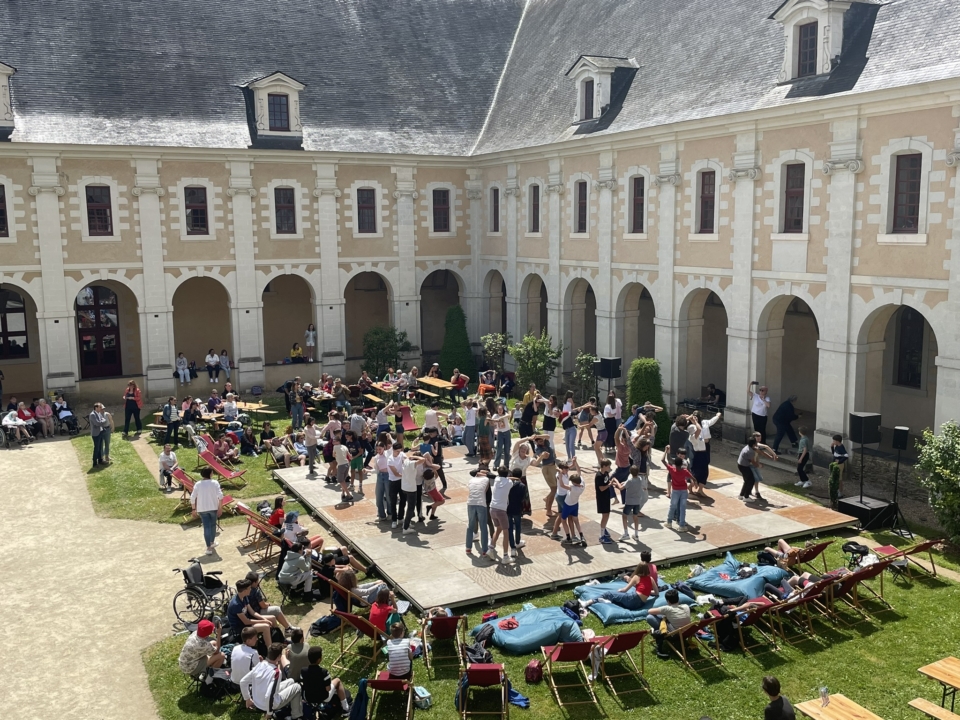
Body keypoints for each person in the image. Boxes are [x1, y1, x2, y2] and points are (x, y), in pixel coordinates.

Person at [239, 643, 304, 720]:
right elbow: (269, 695)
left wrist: (247, 699)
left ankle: (289, 707)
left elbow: (242, 682)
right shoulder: (276, 672)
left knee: (291, 681)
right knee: (297, 687)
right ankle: (296, 716)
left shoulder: (260, 664)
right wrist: (269, 713)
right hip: (269, 704)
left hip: (257, 701)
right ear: (279, 656)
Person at [582, 562, 657, 611]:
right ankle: (608, 601)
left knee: (608, 593)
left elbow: (625, 590)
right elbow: (656, 593)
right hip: (639, 604)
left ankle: (587, 602)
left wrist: (619, 591)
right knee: (619, 598)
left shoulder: (636, 577)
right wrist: (646, 592)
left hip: (632, 600)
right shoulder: (651, 579)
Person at [300, 646, 350, 717]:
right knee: (337, 681)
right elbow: (328, 689)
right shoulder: (324, 672)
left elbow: (303, 684)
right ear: (319, 660)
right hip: (323, 698)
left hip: (308, 697)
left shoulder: (303, 671)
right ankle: (346, 709)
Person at [646, 588, 691, 658]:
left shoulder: (667, 608)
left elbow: (649, 611)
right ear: (678, 598)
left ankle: (658, 633)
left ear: (668, 601)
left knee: (650, 617)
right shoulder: (686, 606)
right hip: (687, 632)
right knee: (664, 616)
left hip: (674, 635)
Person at [191, 467, 223, 555]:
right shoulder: (215, 483)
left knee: (207, 527)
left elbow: (192, 497)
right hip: (213, 508)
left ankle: (210, 545)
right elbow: (220, 496)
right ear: (210, 474)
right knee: (212, 526)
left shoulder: (198, 484)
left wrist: (193, 509)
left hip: (202, 509)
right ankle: (210, 544)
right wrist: (220, 508)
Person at [466, 466, 493, 558]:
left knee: (470, 526)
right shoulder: (486, 480)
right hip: (481, 504)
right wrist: (486, 473)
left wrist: (479, 471)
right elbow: (485, 491)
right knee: (483, 527)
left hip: (470, 503)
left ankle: (468, 548)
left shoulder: (471, 480)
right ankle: (484, 550)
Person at [666, 455, 694, 532]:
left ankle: (669, 522)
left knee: (672, 506)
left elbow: (663, 460)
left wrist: (666, 451)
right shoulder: (685, 471)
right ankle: (682, 525)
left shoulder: (672, 470)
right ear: (682, 464)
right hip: (684, 491)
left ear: (674, 463)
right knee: (682, 508)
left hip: (675, 491)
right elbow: (692, 478)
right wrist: (694, 483)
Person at [231, 627, 261, 695]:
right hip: (247, 683)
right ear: (248, 641)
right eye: (255, 638)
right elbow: (258, 669)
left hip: (234, 680)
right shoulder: (253, 652)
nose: (257, 639)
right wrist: (261, 661)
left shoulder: (235, 648)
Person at [561, 473, 586, 547]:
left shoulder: (573, 488)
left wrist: (559, 474)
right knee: (576, 521)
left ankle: (568, 538)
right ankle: (582, 537)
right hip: (575, 504)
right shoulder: (582, 484)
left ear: (575, 483)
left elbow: (562, 485)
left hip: (567, 505)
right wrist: (575, 463)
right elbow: (579, 472)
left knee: (563, 520)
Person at [595, 460, 614, 545]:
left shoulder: (605, 473)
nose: (609, 468)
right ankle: (602, 535)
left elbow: (606, 482)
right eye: (608, 466)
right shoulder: (599, 476)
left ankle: (604, 528)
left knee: (607, 514)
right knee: (605, 515)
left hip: (606, 497)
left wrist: (611, 483)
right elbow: (601, 488)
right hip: (601, 498)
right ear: (603, 466)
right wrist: (609, 485)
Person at [737, 437, 760, 502]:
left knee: (746, 481)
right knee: (751, 480)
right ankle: (746, 497)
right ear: (753, 444)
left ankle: (741, 495)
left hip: (740, 465)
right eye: (755, 443)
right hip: (744, 467)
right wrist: (758, 465)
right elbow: (752, 461)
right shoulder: (750, 452)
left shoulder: (747, 447)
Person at [89, 402, 109, 467]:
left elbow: (103, 420)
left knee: (100, 447)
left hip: (100, 432)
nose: (101, 408)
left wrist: (102, 421)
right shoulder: (92, 415)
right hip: (96, 434)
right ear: (96, 408)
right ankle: (94, 463)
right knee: (96, 448)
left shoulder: (99, 413)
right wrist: (102, 421)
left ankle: (100, 460)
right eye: (100, 407)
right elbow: (97, 423)